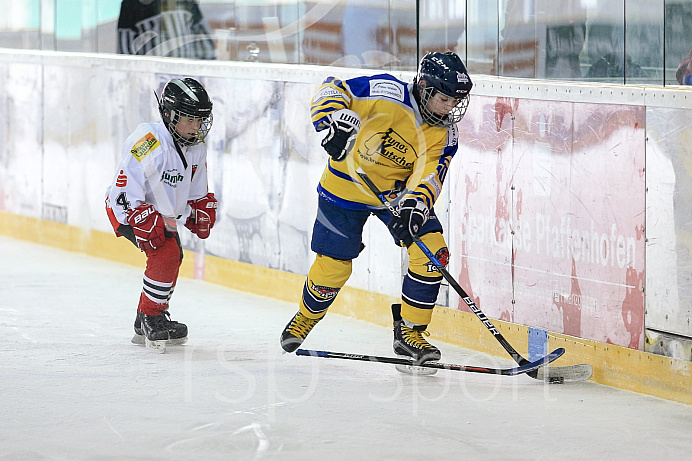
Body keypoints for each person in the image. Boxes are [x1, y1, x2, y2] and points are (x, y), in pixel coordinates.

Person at [279, 51, 473, 364]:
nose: (449, 108)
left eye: (455, 102)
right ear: (423, 86)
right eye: (444, 99)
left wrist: (414, 209)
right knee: (334, 265)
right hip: (345, 185)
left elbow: (430, 178)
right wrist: (332, 125)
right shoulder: (386, 92)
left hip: (395, 195)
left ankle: (410, 333)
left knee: (432, 253)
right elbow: (331, 88)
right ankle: (306, 316)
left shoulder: (445, 134)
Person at [105, 77, 217, 350]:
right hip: (127, 207)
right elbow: (123, 189)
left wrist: (196, 209)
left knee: (173, 254)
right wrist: (139, 215)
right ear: (168, 114)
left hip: (160, 212)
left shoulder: (197, 147)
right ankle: (151, 317)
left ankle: (145, 317)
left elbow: (194, 191)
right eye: (188, 119)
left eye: (199, 120)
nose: (195, 127)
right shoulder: (147, 142)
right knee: (165, 252)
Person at [117, 0, 216, 60]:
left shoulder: (186, 2)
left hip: (187, 75)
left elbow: (204, 41)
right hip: (151, 79)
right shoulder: (131, 4)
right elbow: (125, 52)